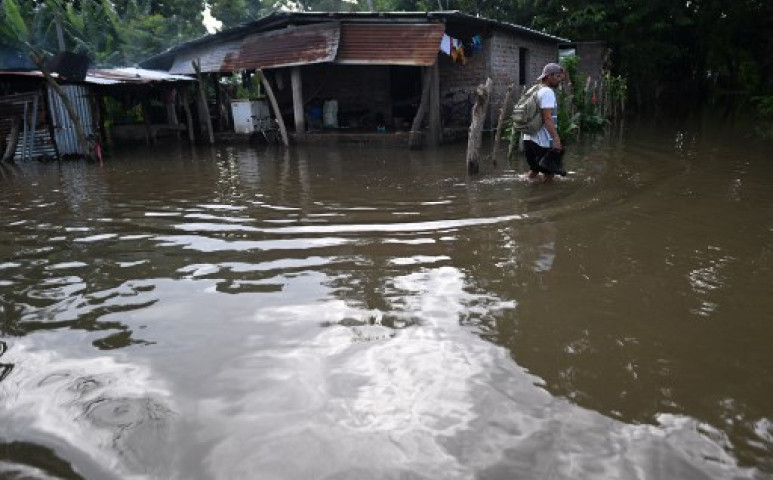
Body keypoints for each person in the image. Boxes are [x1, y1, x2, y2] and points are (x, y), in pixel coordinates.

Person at [523, 62, 566, 183]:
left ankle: (525, 188)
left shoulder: (534, 89)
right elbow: (547, 118)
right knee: (549, 175)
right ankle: (544, 201)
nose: (560, 80)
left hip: (528, 138)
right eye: (558, 76)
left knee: (534, 170)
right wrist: (556, 140)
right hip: (541, 141)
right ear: (549, 76)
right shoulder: (547, 92)